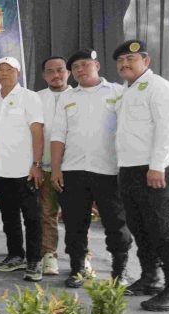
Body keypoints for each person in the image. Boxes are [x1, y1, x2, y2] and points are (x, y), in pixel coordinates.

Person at [50, 49, 132, 288]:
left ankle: (120, 271)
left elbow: (128, 130)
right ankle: (77, 268)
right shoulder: (67, 97)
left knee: (116, 224)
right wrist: (56, 169)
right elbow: (58, 135)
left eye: (85, 64)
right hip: (73, 170)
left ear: (96, 65)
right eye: (75, 67)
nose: (80, 69)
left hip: (109, 171)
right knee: (74, 224)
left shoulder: (118, 92)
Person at [113, 40, 169, 312]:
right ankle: (150, 278)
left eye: (131, 59)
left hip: (154, 170)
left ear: (146, 61)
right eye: (120, 61)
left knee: (164, 230)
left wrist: (157, 166)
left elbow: (166, 130)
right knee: (140, 227)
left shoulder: (159, 87)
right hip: (130, 170)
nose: (125, 64)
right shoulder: (126, 91)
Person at [0, 56, 45, 281]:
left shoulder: (29, 97)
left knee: (32, 217)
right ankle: (16, 255)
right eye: (0, 70)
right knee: (9, 217)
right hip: (0, 171)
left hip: (25, 170)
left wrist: (36, 164)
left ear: (18, 73)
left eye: (9, 70)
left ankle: (35, 260)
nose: (4, 74)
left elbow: (37, 132)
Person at [36, 56, 71, 276]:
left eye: (60, 70)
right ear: (43, 75)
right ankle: (49, 255)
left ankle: (82, 257)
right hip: (46, 166)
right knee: (47, 213)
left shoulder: (79, 96)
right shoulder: (36, 98)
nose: (56, 75)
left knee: (77, 215)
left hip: (74, 167)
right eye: (50, 71)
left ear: (68, 72)